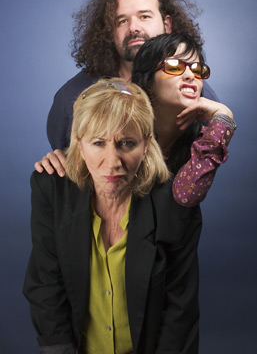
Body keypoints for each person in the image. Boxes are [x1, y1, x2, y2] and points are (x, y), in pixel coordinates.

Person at [23, 78, 202, 354]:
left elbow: (180, 308)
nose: (112, 162)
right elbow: (45, 285)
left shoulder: (174, 201)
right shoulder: (50, 188)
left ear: (146, 145)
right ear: (78, 143)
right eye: (98, 143)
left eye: (127, 143)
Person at [46, 0, 219, 151]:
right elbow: (68, 162)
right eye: (122, 21)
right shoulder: (72, 96)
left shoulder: (198, 95)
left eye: (144, 16)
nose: (133, 28)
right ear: (109, 32)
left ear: (167, 25)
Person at [132, 33, 236, 206]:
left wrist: (224, 117)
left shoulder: (206, 139)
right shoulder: (123, 129)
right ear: (149, 82)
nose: (190, 75)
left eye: (197, 69)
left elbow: (186, 195)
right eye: (174, 66)